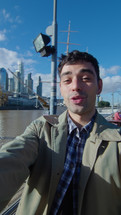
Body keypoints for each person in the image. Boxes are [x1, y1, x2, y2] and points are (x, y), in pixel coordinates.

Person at [0, 50, 121, 215]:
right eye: (67, 80)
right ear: (61, 88)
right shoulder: (40, 130)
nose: (76, 86)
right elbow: (12, 158)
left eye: (85, 78)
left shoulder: (118, 142)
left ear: (99, 86)